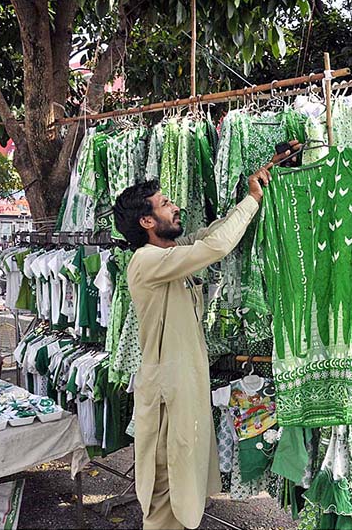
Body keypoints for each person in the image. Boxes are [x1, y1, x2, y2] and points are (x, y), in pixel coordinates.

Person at [113, 141, 300, 530]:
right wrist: (250, 203)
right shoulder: (147, 262)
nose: (174, 206)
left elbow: (207, 235)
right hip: (168, 391)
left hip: (183, 384)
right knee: (166, 479)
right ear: (147, 221)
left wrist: (258, 183)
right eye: (165, 204)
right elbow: (214, 246)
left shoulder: (170, 254)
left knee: (184, 474)